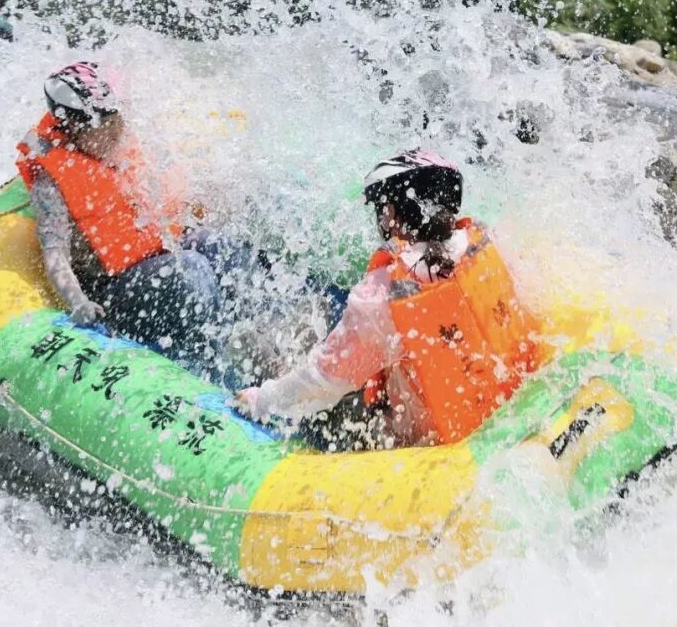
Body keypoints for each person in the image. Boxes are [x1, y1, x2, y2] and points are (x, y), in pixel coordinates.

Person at [232, 149, 547, 449]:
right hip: (505, 408)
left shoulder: (385, 293)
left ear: (392, 212)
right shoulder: (489, 243)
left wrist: (262, 400)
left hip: (418, 440)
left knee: (279, 343)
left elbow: (323, 381)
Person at [17, 61, 241, 366]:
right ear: (71, 128)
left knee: (217, 244)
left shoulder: (119, 145)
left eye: (116, 120)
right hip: (114, 290)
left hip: (156, 259)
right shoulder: (52, 182)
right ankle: (217, 360)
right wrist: (78, 302)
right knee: (191, 269)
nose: (114, 132)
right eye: (101, 126)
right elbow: (54, 252)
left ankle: (263, 327)